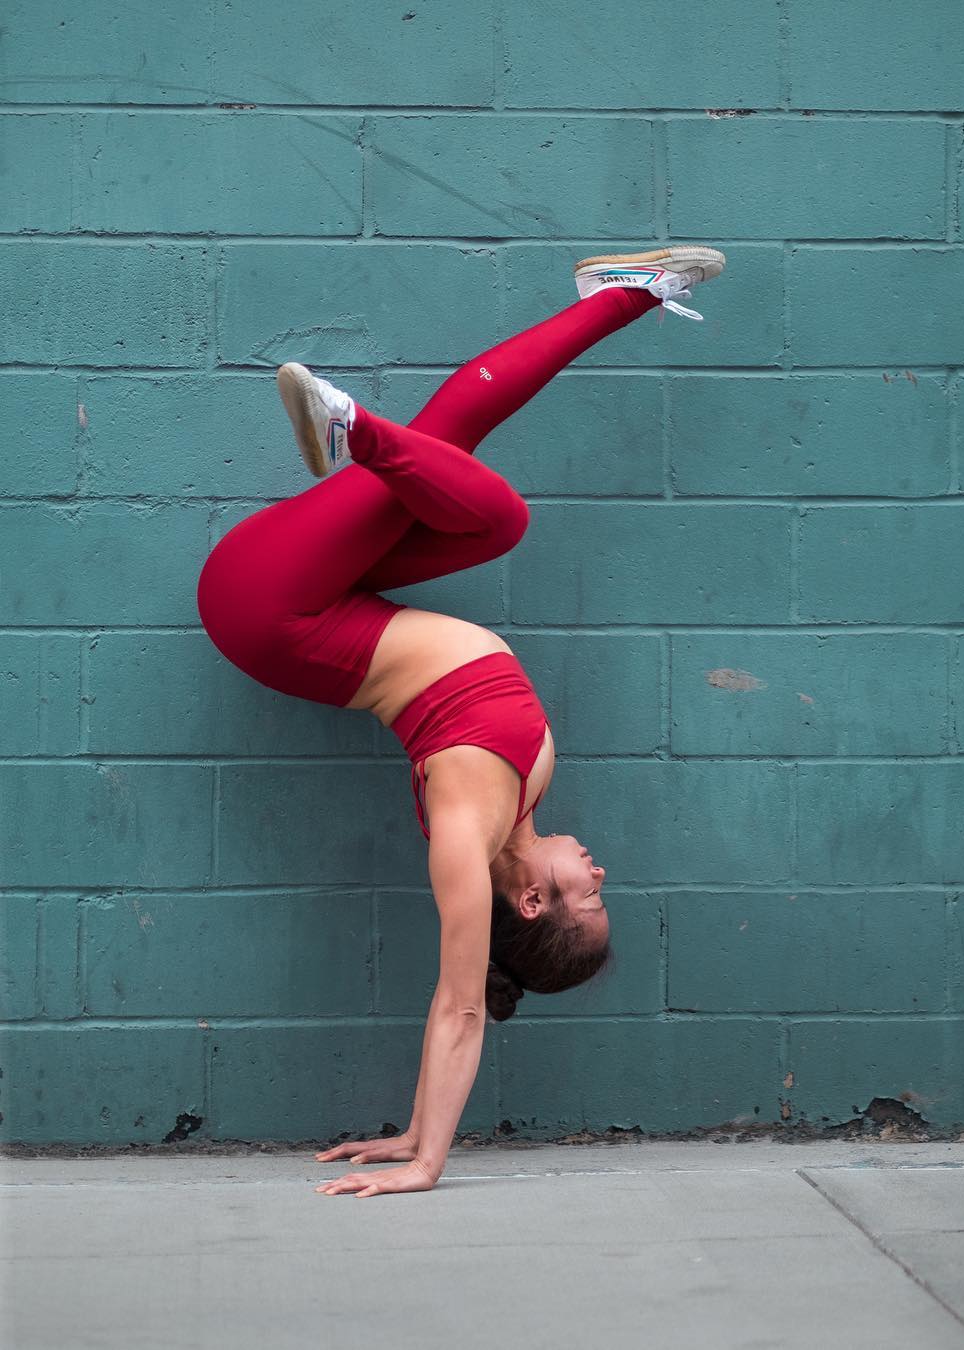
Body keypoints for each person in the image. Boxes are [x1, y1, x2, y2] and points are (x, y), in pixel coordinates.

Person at [195, 245, 727, 1197]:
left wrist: (425, 1155)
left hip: (269, 608)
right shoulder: (524, 802)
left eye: (589, 893)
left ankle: (359, 432)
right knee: (484, 513)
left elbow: (458, 1004)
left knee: (485, 498)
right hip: (334, 600)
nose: (598, 870)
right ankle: (620, 297)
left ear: (532, 903)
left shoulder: (466, 831)